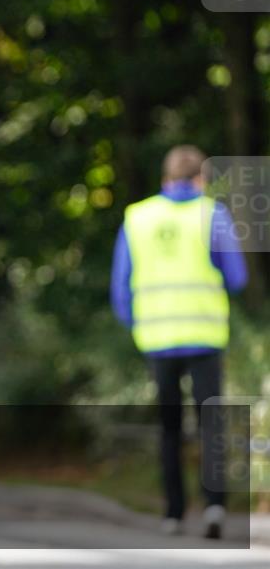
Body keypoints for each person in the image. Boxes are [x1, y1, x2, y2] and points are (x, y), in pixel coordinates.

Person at [110, 144, 248, 539]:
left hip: (157, 340)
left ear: (165, 178)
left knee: (169, 429)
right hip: (205, 336)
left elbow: (121, 289)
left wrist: (138, 325)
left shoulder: (137, 217)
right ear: (200, 179)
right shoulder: (212, 214)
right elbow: (236, 278)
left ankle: (172, 513)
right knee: (212, 424)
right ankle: (215, 508)